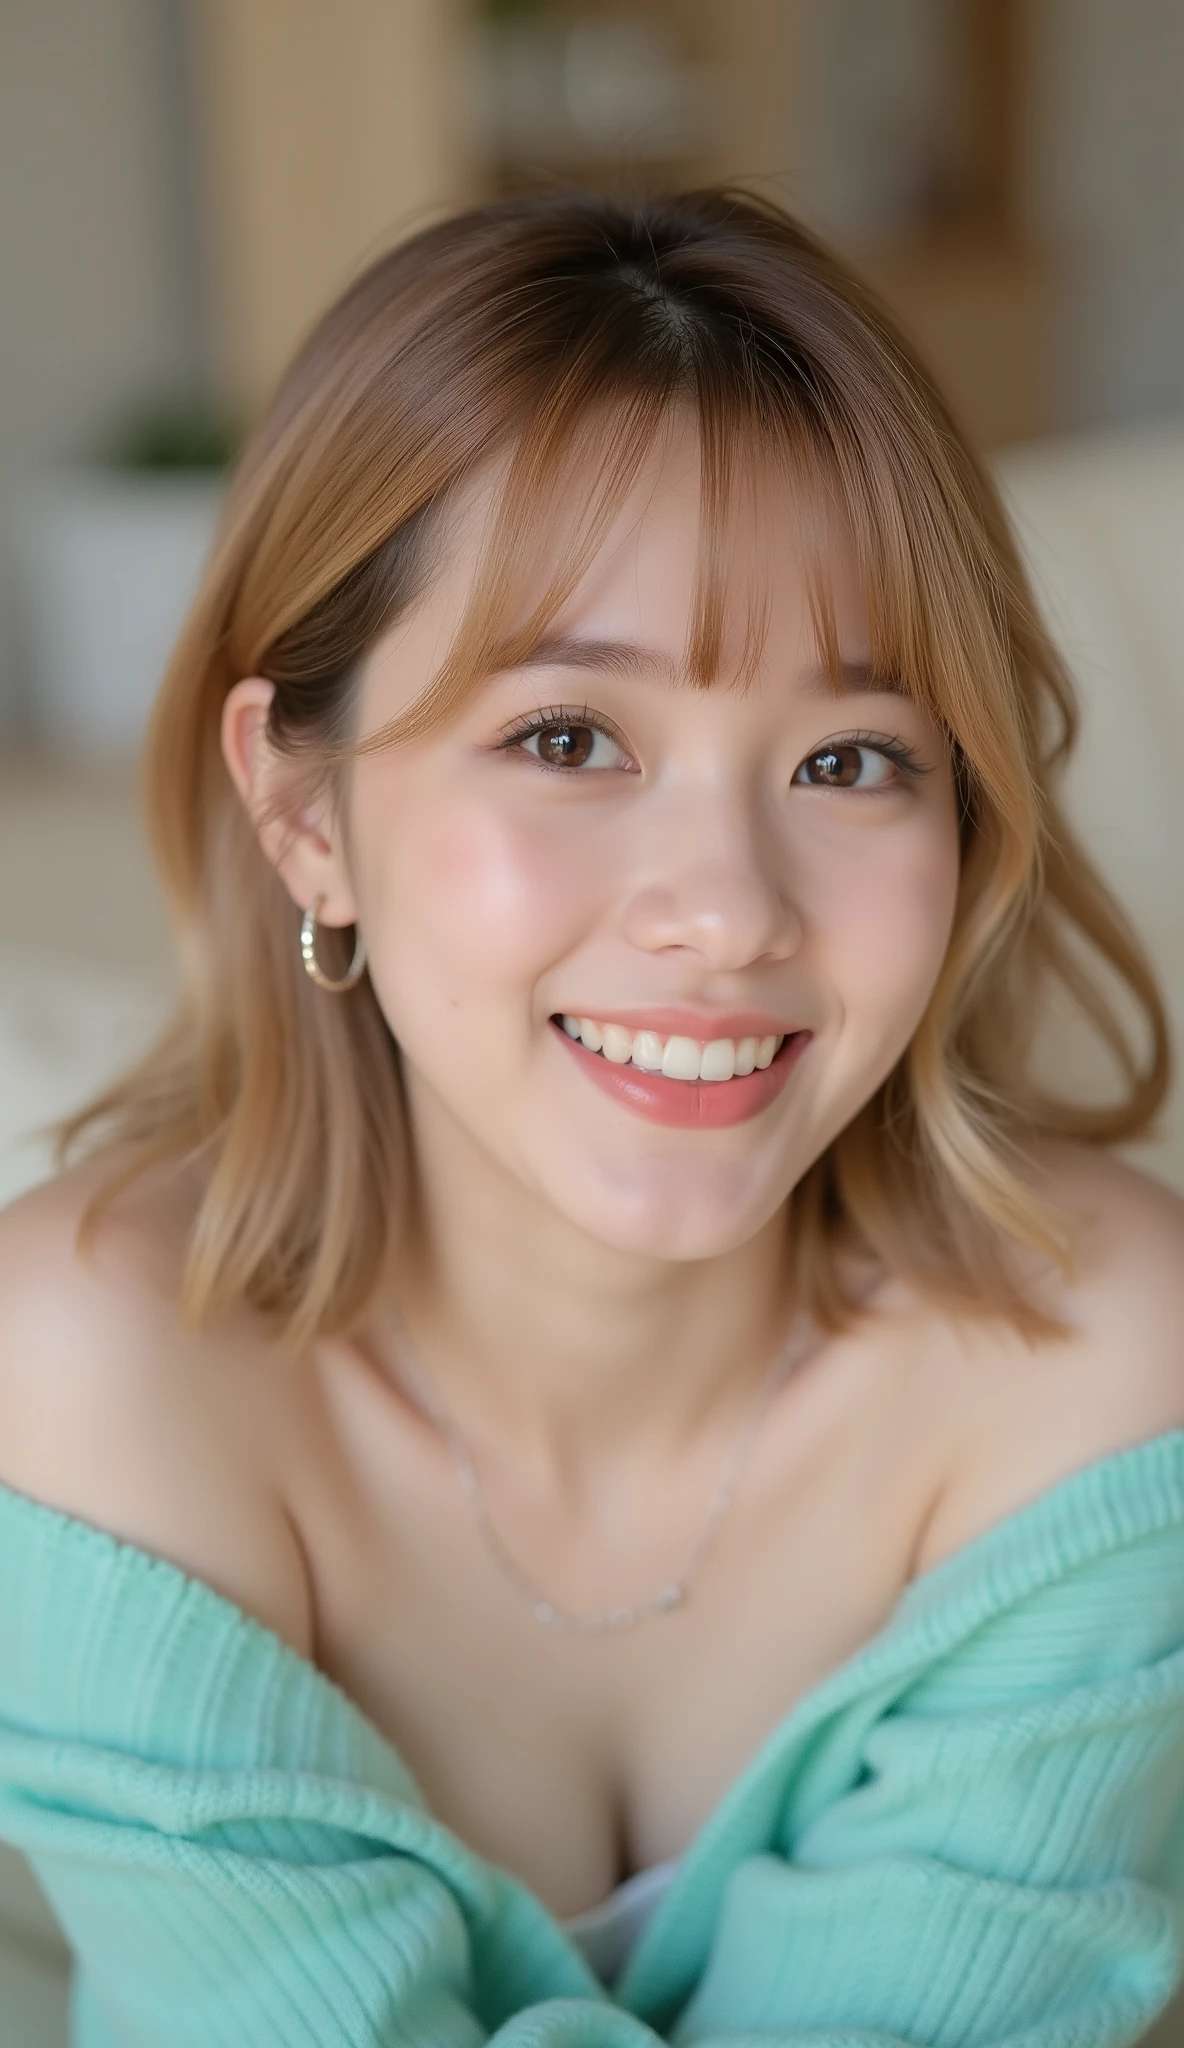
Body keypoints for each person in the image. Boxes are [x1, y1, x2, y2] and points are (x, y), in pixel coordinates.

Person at [1, 185, 1183, 2048]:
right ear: (308, 813)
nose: (727, 908)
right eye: (568, 738)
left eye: (850, 759)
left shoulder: (1093, 1362)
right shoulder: (110, 1362)